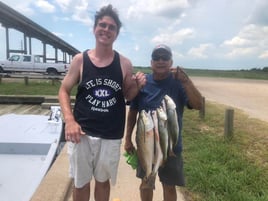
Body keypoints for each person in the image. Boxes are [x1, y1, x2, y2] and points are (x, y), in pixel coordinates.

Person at [58, 4, 146, 201]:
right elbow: (63, 90)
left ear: (116, 33)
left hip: (111, 134)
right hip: (82, 133)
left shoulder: (124, 63)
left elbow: (127, 95)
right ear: (94, 28)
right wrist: (69, 120)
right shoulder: (80, 60)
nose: (106, 30)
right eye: (102, 25)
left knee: (103, 182)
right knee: (80, 183)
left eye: (111, 27)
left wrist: (138, 85)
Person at [124, 44, 203, 201]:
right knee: (146, 181)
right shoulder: (143, 82)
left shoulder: (179, 83)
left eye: (165, 57)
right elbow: (133, 113)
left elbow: (199, 105)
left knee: (169, 185)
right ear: (151, 62)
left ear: (171, 61)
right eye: (157, 58)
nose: (161, 61)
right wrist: (127, 139)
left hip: (170, 146)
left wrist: (186, 81)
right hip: (146, 144)